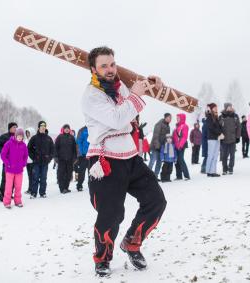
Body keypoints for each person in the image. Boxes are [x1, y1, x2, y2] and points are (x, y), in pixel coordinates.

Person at [82, 46, 167, 276]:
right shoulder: (91, 96)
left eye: (112, 64)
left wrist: (152, 83)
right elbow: (119, 118)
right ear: (93, 69)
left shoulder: (121, 86)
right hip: (105, 159)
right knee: (111, 214)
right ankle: (102, 258)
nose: (110, 70)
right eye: (103, 66)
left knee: (156, 201)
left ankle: (131, 243)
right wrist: (137, 94)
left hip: (130, 156)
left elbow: (139, 91)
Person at [1, 128, 28, 209]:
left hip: (19, 170)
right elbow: (3, 155)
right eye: (18, 136)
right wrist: (8, 164)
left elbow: (25, 156)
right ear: (15, 136)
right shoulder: (8, 143)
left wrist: (23, 164)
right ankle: (7, 202)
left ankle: (18, 201)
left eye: (21, 136)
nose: (20, 138)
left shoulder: (23, 145)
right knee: (8, 187)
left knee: (18, 187)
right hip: (10, 170)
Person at [28, 121, 54, 198]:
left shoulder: (49, 138)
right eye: (41, 126)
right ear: (38, 127)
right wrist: (34, 157)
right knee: (35, 177)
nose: (43, 128)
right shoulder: (34, 138)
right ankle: (33, 193)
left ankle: (42, 193)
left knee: (43, 178)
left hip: (45, 162)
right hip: (36, 162)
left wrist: (49, 158)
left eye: (44, 126)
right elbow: (29, 149)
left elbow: (52, 150)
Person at [54, 124, 77, 194]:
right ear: (63, 129)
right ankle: (62, 188)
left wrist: (74, 158)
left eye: (68, 128)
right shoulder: (59, 137)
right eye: (65, 128)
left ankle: (66, 187)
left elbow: (74, 149)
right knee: (61, 174)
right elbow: (55, 148)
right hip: (61, 159)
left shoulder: (72, 138)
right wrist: (56, 157)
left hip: (70, 160)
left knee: (69, 174)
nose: (66, 129)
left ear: (69, 129)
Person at [0, 122, 18, 197]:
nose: (15, 128)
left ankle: (10, 193)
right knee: (5, 178)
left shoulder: (17, 137)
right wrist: (4, 153)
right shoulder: (4, 136)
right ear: (10, 128)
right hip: (7, 161)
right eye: (14, 127)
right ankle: (3, 193)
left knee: (13, 179)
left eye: (16, 127)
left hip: (15, 162)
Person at [219, 103, 241, 175]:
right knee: (224, 156)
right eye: (228, 107)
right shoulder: (221, 116)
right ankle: (224, 169)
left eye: (231, 107)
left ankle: (231, 168)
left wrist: (237, 137)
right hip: (224, 139)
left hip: (232, 139)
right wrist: (220, 136)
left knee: (232, 155)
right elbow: (219, 128)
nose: (230, 108)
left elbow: (238, 127)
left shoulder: (235, 116)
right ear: (225, 108)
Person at [148, 113, 171, 180]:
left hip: (162, 148)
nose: (170, 119)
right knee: (152, 161)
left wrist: (166, 147)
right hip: (155, 147)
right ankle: (147, 176)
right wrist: (157, 146)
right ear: (165, 117)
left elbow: (167, 138)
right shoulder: (159, 124)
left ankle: (155, 176)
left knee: (159, 162)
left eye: (171, 118)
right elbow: (156, 135)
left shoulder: (168, 126)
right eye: (169, 117)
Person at [205, 104, 223, 177]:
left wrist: (221, 132)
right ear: (211, 109)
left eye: (216, 107)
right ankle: (209, 171)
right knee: (211, 155)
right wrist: (219, 133)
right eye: (214, 108)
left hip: (217, 138)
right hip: (212, 139)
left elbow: (218, 127)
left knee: (215, 155)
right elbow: (211, 128)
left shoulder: (216, 116)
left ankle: (213, 171)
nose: (216, 109)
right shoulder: (209, 117)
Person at [173, 113, 190, 180]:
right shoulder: (177, 126)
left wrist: (180, 145)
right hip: (175, 146)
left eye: (178, 118)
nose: (177, 119)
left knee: (181, 159)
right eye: (177, 118)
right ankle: (179, 176)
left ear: (182, 118)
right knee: (177, 160)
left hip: (181, 146)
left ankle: (186, 175)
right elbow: (175, 137)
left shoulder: (184, 126)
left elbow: (184, 137)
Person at [76, 125, 90, 191]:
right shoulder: (82, 130)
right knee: (81, 171)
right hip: (83, 155)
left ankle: (91, 185)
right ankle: (79, 185)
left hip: (92, 154)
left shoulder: (95, 128)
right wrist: (80, 154)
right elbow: (79, 142)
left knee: (92, 172)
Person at [24, 129, 35, 194]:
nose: (28, 134)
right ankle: (30, 189)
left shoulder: (33, 140)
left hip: (32, 161)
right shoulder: (25, 140)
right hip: (27, 161)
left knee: (33, 176)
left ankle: (33, 189)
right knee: (29, 175)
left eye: (29, 133)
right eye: (27, 133)